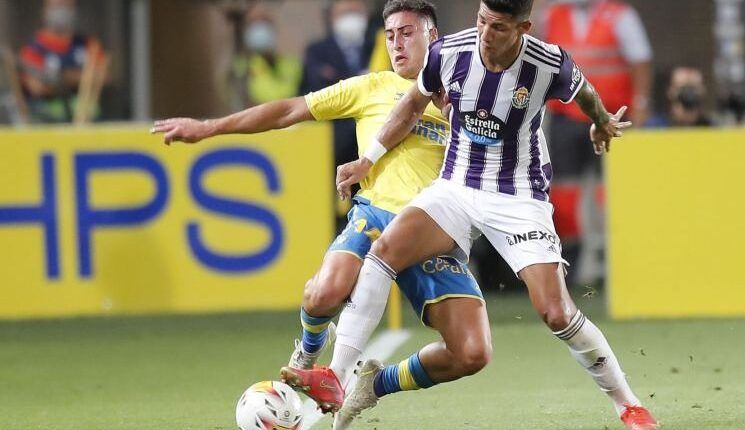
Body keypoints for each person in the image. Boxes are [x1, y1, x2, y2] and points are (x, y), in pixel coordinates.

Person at [151, 0, 491, 417]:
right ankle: (307, 357)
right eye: (389, 35)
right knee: (324, 292)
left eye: (407, 33)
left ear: (432, 37)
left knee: (472, 353)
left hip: (434, 233)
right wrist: (209, 128)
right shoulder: (371, 87)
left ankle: (374, 383)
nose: (396, 44)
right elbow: (290, 109)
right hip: (377, 215)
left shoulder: (467, 98)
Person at [333, 1, 658, 429]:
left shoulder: (549, 63)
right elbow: (411, 106)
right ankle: (333, 378)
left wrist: (599, 122)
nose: (485, 33)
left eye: (498, 27)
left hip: (518, 196)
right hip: (457, 185)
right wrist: (368, 160)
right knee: (385, 249)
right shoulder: (449, 52)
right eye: (482, 21)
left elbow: (586, 93)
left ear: (522, 27)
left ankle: (627, 404)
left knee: (556, 312)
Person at [540, 0, 653, 284]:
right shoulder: (552, 16)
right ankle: (571, 267)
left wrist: (640, 105)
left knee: (611, 193)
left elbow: (640, 60)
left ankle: (615, 267)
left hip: (611, 115)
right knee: (564, 193)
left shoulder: (620, 16)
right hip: (565, 117)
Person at [18, 0, 106, 123]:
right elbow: (37, 87)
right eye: (57, 6)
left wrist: (58, 78)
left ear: (74, 9)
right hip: (48, 124)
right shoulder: (33, 50)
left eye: (65, 6)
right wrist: (78, 77)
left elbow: (100, 77)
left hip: (88, 123)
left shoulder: (89, 45)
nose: (61, 11)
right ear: (45, 11)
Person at [227, 5, 302, 109]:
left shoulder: (291, 63)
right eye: (255, 25)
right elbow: (237, 99)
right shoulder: (241, 66)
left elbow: (285, 96)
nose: (261, 31)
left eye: (264, 25)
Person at [647, 66, 712, 127]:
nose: (688, 93)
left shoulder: (713, 129)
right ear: (670, 91)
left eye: (693, 88)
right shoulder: (655, 128)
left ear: (702, 91)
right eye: (683, 88)